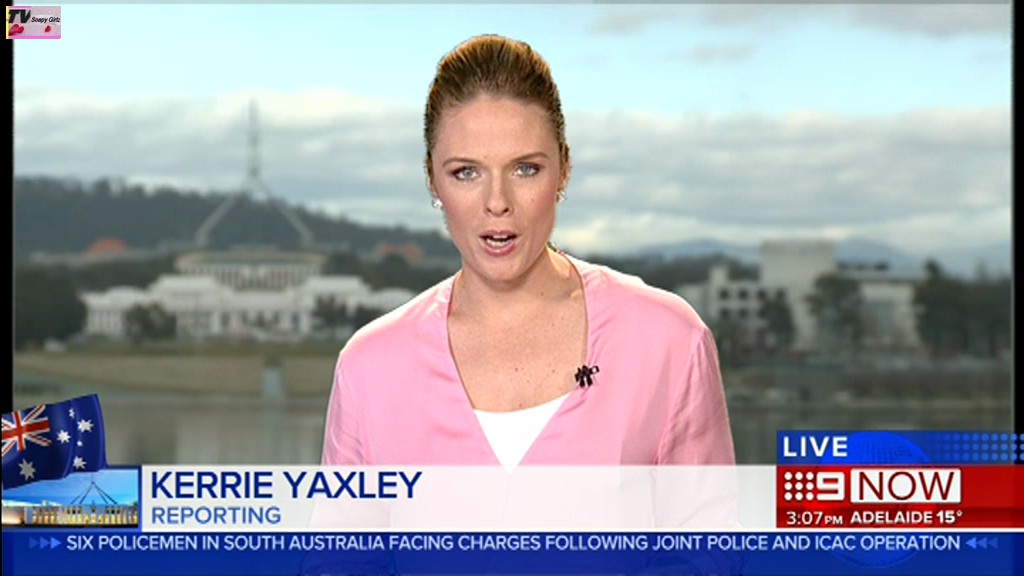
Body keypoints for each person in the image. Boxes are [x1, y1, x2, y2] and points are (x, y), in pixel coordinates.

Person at [320, 34, 735, 469]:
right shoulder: (369, 368)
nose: (497, 202)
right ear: (432, 179)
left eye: (525, 169)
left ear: (564, 169)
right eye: (466, 172)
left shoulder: (667, 341)